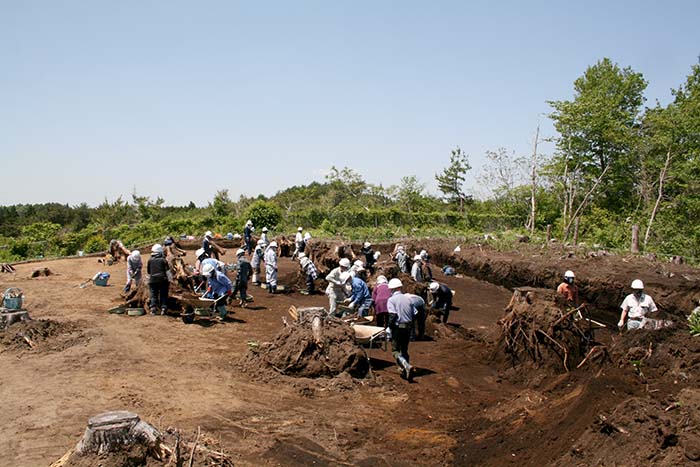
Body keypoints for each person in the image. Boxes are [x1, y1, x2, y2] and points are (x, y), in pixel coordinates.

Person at [387, 278, 417, 381]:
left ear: (392, 289)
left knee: (395, 350)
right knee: (404, 349)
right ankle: (404, 369)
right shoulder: (409, 299)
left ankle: (406, 365)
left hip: (398, 327)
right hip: (408, 327)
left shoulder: (391, 300)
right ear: (400, 287)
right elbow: (414, 314)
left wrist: (389, 327)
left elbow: (393, 316)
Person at [147, 244, 170, 315]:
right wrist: (170, 279)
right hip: (163, 280)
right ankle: (163, 308)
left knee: (153, 295)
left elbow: (148, 272)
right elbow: (168, 272)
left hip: (153, 280)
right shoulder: (163, 260)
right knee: (163, 294)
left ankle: (153, 309)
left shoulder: (150, 260)